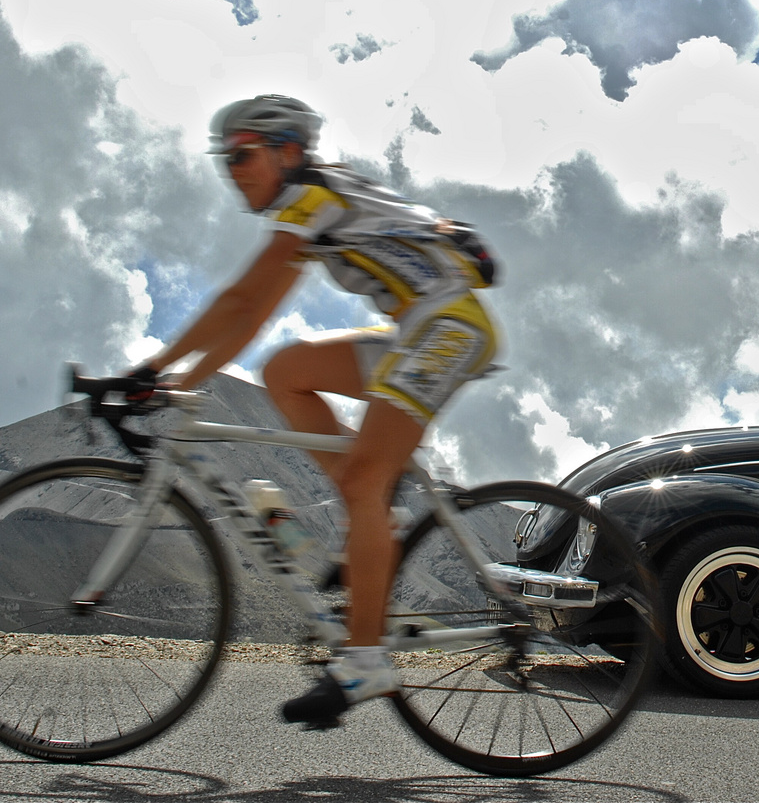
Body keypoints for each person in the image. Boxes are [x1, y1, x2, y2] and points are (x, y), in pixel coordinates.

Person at [134, 94, 499, 727]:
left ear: (289, 152)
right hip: (418, 330)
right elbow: (247, 313)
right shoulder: (319, 199)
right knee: (286, 371)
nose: (233, 168)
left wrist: (153, 372)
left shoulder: (315, 197)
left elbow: (247, 303)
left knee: (361, 477)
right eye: (226, 159)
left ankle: (365, 662)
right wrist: (178, 379)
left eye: (243, 154)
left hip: (450, 328)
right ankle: (371, 527)